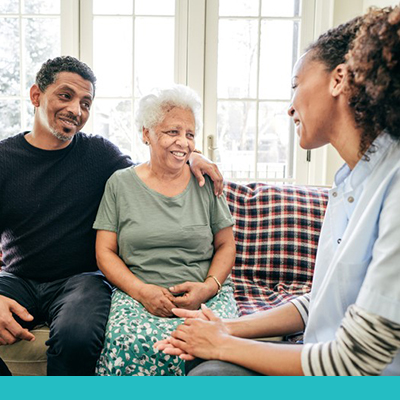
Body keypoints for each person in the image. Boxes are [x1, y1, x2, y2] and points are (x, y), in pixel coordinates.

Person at [155, 5, 400, 376]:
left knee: (211, 373)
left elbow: (357, 360)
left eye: (296, 85)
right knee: (203, 358)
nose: (290, 107)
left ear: (338, 80)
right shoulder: (351, 181)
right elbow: (319, 304)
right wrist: (223, 327)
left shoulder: (393, 183)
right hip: (322, 355)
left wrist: (222, 342)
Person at [0, 56, 225, 376]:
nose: (76, 110)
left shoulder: (99, 154)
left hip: (80, 281)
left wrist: (193, 156)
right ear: (37, 95)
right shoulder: (4, 160)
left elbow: (152, 169)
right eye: (66, 96)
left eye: (86, 102)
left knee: (77, 338)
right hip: (17, 278)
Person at [93, 85, 238, 376]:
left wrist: (207, 288)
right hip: (138, 295)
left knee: (214, 349)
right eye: (172, 132)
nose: (183, 143)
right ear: (146, 133)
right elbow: (104, 252)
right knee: (128, 342)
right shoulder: (120, 184)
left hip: (205, 293)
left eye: (190, 134)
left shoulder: (206, 181)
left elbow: (226, 245)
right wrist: (142, 291)